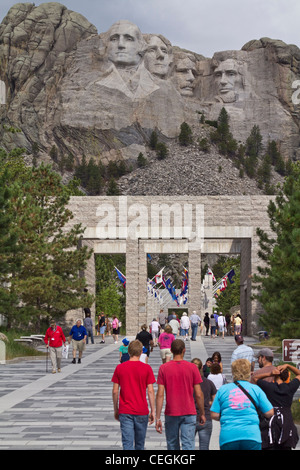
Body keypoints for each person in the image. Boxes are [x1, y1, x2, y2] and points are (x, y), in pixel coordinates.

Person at [210, 359, 274, 450]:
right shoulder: (256, 389)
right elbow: (269, 412)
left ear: (233, 372)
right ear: (249, 372)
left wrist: (227, 415)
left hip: (229, 436)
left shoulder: (223, 389)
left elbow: (214, 414)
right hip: (251, 435)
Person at [155, 339, 206, 450]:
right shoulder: (192, 367)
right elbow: (198, 394)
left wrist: (157, 417)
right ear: (184, 350)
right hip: (189, 411)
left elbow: (160, 394)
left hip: (171, 412)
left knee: (172, 444)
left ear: (172, 351)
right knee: (188, 444)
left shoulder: (164, 368)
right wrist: (202, 412)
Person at [111, 339, 156, 450]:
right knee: (140, 444)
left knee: (127, 444)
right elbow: (150, 391)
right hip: (141, 410)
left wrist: (116, 409)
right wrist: (153, 410)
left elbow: (115, 391)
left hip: (125, 410)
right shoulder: (146, 368)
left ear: (129, 352)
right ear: (141, 352)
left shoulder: (120, 368)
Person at [253, 363, 300, 450]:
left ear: (275, 375)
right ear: (286, 377)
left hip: (271, 422)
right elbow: (299, 374)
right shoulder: (290, 388)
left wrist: (270, 374)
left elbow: (255, 378)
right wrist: (288, 365)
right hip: (286, 423)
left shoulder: (269, 387)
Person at [192, 358, 217, 450]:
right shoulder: (209, 383)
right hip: (206, 417)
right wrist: (207, 402)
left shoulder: (187, 383)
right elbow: (215, 401)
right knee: (204, 447)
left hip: (191, 418)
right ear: (202, 367)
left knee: (188, 446)